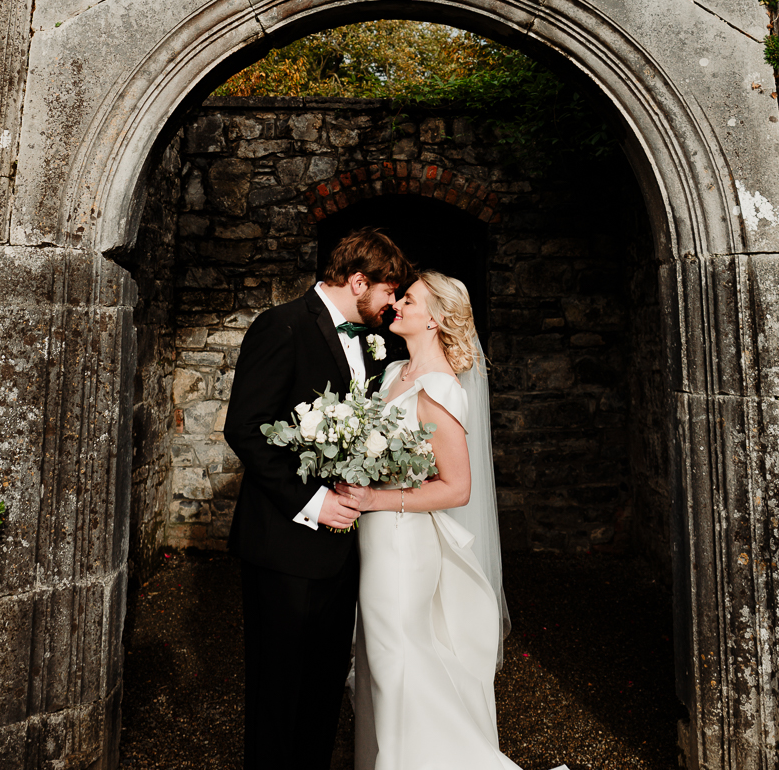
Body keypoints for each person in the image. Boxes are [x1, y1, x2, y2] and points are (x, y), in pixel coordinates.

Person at [335, 271, 552, 770]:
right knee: (380, 659)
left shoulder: (438, 388)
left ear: (434, 321)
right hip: (377, 537)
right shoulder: (394, 375)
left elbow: (457, 488)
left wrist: (373, 500)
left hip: (403, 542)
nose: (398, 306)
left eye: (409, 300)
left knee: (399, 658)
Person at [222, 228, 413, 770]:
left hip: (346, 549)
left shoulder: (372, 343)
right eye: (388, 292)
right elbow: (248, 428)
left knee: (325, 688)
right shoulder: (281, 326)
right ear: (358, 281)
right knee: (278, 692)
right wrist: (313, 504)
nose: (392, 305)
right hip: (285, 544)